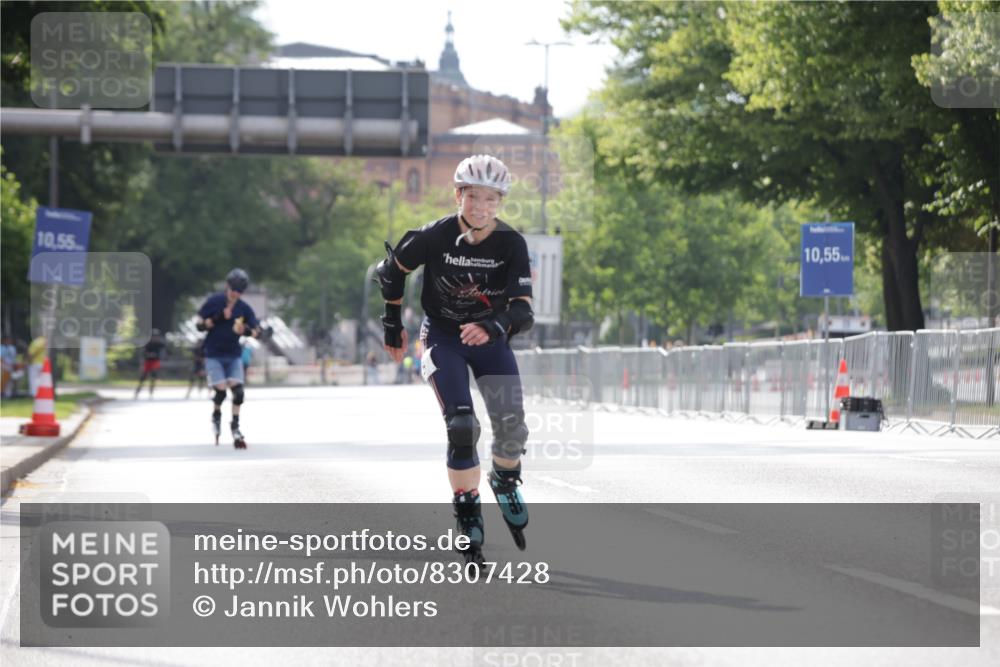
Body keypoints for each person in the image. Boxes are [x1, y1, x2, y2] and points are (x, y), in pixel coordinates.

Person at [374, 154, 534, 567]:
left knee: (512, 429)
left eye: (491, 199)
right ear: (458, 194)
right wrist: (393, 324)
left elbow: (523, 312)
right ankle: (467, 508)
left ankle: (504, 477)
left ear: (500, 202)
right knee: (462, 426)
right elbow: (391, 271)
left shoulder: (511, 244)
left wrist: (494, 326)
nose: (481, 207)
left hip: (489, 338)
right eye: (473, 197)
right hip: (443, 337)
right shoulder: (434, 235)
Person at [196, 268, 262, 448]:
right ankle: (216, 416)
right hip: (214, 354)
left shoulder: (243, 308)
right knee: (221, 391)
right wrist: (218, 317)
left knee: (239, 392)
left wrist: (246, 331)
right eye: (233, 289)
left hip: (233, 354)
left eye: (239, 291)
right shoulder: (215, 302)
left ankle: (235, 426)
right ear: (227, 286)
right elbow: (199, 325)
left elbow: (257, 331)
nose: (235, 294)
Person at [134, 329, 166, 399]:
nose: (155, 338)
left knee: (153, 377)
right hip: (148, 362)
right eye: (153, 336)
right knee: (143, 378)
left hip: (155, 362)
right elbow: (144, 353)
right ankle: (137, 392)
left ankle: (151, 392)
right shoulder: (148, 344)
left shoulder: (159, 344)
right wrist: (148, 355)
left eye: (156, 336)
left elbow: (164, 348)